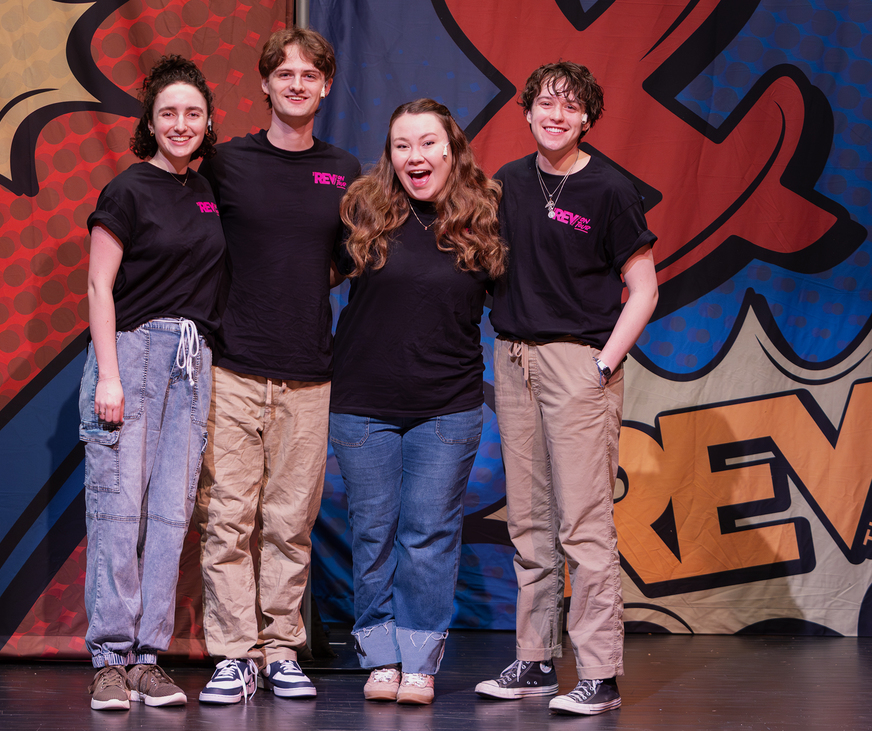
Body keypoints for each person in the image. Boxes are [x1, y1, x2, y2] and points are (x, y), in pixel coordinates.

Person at [475, 61, 658, 715]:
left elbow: (644, 288)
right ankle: (534, 659)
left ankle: (600, 673)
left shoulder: (610, 188)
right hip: (515, 358)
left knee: (584, 525)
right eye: (544, 103)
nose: (555, 114)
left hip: (578, 363)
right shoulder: (509, 183)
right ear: (526, 112)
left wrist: (604, 364)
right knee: (529, 522)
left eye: (569, 105)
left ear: (587, 118)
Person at [195, 27, 361, 703]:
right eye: (284, 73)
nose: (296, 84)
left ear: (325, 86)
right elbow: (194, 242)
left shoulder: (344, 169)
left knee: (291, 521)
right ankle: (233, 654)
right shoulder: (228, 163)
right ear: (263, 83)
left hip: (309, 372)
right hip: (233, 368)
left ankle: (280, 648)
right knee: (229, 517)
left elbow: (348, 257)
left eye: (309, 75)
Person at [331, 99, 507, 706]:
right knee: (373, 531)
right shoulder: (362, 209)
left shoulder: (486, 215)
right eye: (403, 145)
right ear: (390, 154)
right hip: (363, 404)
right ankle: (379, 656)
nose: (416, 156)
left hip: (446, 408)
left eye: (428, 143)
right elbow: (305, 273)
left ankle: (420, 661)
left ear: (452, 149)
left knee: (429, 534)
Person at [79, 55, 225, 711]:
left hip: (192, 364)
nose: (181, 123)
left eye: (192, 112)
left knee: (169, 516)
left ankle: (147, 658)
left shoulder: (209, 192)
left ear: (208, 121)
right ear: (150, 122)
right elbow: (98, 284)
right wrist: (108, 373)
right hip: (132, 354)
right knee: (118, 512)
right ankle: (109, 659)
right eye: (168, 112)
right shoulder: (129, 189)